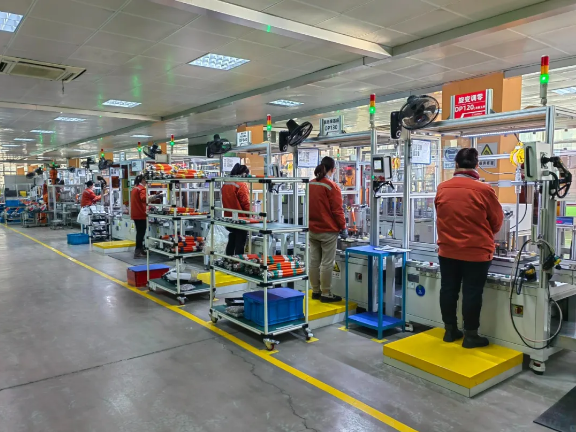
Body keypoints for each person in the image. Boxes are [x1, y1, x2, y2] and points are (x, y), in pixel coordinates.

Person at [435, 148, 503, 349]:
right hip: (476, 252)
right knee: (472, 292)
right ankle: (471, 335)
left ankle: (450, 331)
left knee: (448, 289)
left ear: (456, 164)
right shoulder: (484, 190)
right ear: (476, 165)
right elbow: (497, 222)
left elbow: (441, 214)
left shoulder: (442, 188)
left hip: (447, 250)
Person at [309, 156, 346, 303]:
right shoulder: (331, 186)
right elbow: (337, 210)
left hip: (312, 229)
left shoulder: (310, 184)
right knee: (327, 263)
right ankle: (326, 293)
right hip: (328, 231)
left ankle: (315, 291)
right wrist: (343, 227)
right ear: (333, 169)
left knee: (314, 261)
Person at [221, 163, 250, 255]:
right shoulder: (240, 184)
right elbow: (245, 203)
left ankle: (228, 259)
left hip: (228, 217)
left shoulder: (226, 184)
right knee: (240, 243)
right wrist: (251, 215)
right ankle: (239, 261)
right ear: (243, 174)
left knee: (232, 240)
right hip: (240, 218)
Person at [131, 175, 148, 258]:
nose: (146, 181)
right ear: (142, 180)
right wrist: (154, 197)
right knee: (141, 233)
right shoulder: (142, 189)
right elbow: (144, 199)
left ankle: (140, 250)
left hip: (135, 214)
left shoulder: (135, 188)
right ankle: (137, 252)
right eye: (145, 179)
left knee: (139, 233)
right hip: (141, 214)